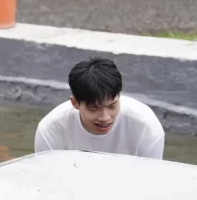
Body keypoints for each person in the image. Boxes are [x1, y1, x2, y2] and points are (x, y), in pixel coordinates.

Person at [33, 57, 165, 160]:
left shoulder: (147, 129)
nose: (105, 117)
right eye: (93, 108)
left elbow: (149, 184)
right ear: (75, 103)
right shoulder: (50, 130)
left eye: (112, 106)